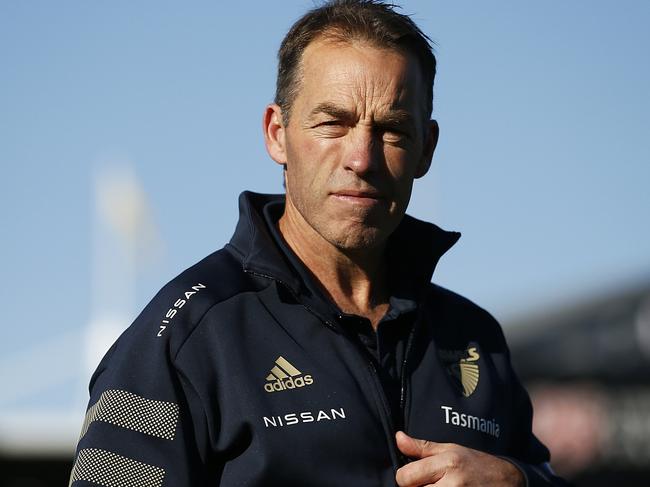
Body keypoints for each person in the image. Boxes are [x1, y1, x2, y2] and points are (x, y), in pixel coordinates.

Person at [69, 1, 569, 486]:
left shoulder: (473, 337)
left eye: (393, 130)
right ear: (277, 134)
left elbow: (545, 474)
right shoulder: (183, 339)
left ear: (427, 149)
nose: (362, 158)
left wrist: (518, 481)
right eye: (334, 123)